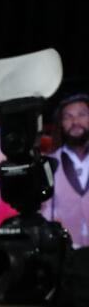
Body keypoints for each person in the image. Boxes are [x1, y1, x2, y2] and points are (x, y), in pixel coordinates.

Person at [49, 93, 89, 247]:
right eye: (68, 117)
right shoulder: (51, 163)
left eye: (82, 115)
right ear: (61, 124)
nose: (75, 121)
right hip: (68, 253)